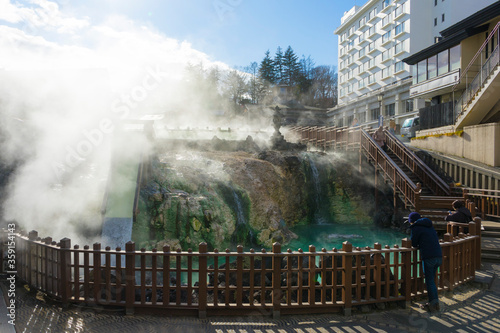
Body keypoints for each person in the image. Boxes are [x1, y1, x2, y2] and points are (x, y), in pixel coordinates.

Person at [409, 212, 442, 312]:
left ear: (412, 221)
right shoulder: (429, 225)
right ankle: (434, 302)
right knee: (432, 279)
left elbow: (414, 243)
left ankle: (433, 304)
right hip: (438, 255)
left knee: (430, 281)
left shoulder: (415, 227)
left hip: (429, 257)